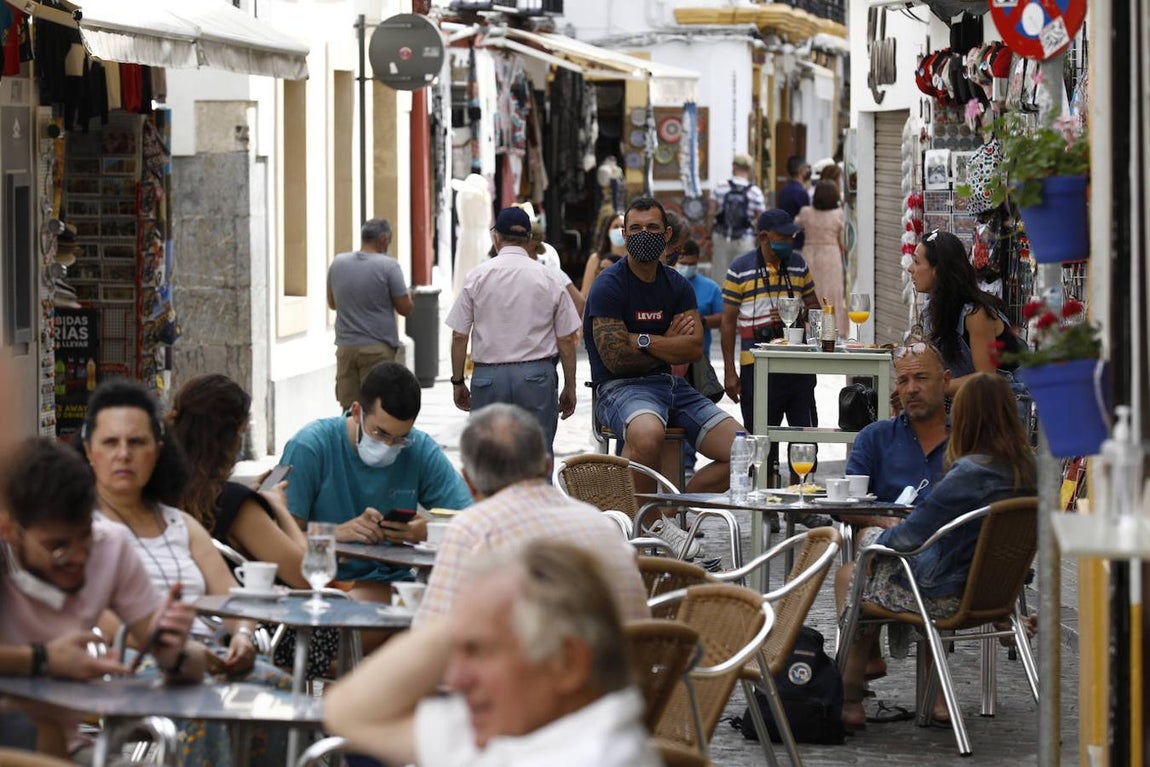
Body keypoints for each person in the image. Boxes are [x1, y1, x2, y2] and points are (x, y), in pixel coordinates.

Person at [324, 540, 662, 767]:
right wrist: (473, 617)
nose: (455, 679)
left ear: (567, 663)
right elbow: (347, 712)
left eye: (479, 651)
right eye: (456, 651)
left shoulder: (589, 755)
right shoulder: (525, 726)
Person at [834, 372, 1036, 729]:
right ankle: (928, 694)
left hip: (947, 595)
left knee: (858, 570)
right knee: (870, 564)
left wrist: (875, 542)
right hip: (994, 594)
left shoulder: (969, 473)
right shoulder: (1027, 472)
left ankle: (849, 695)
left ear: (967, 417)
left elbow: (911, 535)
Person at [0, 437, 206, 758]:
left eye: (85, 536)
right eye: (57, 547)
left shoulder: (109, 546)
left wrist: (175, 652)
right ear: (10, 530)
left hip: (66, 746)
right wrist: (43, 660)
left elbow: (190, 662)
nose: (78, 557)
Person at [584, 196, 742, 553]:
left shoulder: (677, 285)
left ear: (667, 234)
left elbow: (693, 348)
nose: (644, 234)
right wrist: (666, 340)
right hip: (619, 389)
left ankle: (667, 516)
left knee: (745, 450)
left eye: (652, 227)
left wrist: (641, 339)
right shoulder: (609, 285)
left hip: (670, 386)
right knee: (647, 434)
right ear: (625, 234)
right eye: (636, 228)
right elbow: (615, 359)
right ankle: (647, 524)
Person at [415, 403, 648, 626]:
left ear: (468, 481)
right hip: (627, 652)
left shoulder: (472, 529)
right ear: (546, 466)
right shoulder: (603, 526)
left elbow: (432, 628)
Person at [283, 362, 473, 603]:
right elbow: (277, 537)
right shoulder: (309, 446)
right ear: (356, 412)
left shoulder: (419, 448)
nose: (388, 445)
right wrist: (335, 533)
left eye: (400, 438)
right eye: (380, 433)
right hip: (324, 588)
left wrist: (427, 532)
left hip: (396, 587)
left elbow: (472, 519)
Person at [447, 206, 581, 456]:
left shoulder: (476, 276)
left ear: (496, 237)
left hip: (489, 379)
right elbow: (566, 338)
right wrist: (570, 386)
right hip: (536, 378)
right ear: (529, 239)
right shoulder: (550, 277)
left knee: (488, 459)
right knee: (536, 457)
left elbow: (459, 335)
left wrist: (458, 381)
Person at [720, 209, 821, 472]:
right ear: (763, 237)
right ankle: (766, 493)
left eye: (791, 237)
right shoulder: (740, 269)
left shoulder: (798, 264)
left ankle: (803, 493)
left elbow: (816, 309)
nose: (789, 242)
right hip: (755, 368)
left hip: (798, 366)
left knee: (805, 440)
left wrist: (798, 312)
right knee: (762, 445)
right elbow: (727, 322)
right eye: (783, 237)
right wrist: (730, 372)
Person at [907, 229, 1022, 397]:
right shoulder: (934, 308)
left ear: (938, 270)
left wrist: (932, 388)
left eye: (917, 262)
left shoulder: (975, 314)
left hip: (999, 405)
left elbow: (986, 379)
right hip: (964, 402)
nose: (910, 269)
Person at [844, 340, 950, 504]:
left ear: (945, 381)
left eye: (921, 378)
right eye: (903, 381)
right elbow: (848, 504)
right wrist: (886, 517)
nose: (912, 389)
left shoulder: (971, 439)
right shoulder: (875, 438)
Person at [327, 218, 414, 411]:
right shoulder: (389, 266)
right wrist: (408, 295)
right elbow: (405, 308)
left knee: (349, 409)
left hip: (346, 348)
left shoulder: (338, 263)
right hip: (377, 349)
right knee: (376, 408)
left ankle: (352, 431)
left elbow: (332, 304)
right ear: (383, 240)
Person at [795, 180, 848, 337]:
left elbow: (795, 225)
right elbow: (843, 242)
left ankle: (809, 328)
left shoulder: (805, 212)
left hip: (809, 254)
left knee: (810, 292)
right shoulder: (838, 214)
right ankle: (833, 329)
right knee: (832, 292)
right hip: (831, 256)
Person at [711, 152, 766, 287]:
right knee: (745, 278)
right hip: (745, 240)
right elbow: (762, 220)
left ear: (734, 166)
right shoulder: (755, 192)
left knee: (720, 278)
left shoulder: (721, 186)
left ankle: (721, 300)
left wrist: (708, 235)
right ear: (749, 169)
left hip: (722, 237)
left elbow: (710, 213)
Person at [581, 211, 625, 300]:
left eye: (623, 227)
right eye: (615, 227)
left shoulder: (635, 260)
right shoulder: (596, 259)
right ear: (608, 232)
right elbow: (585, 294)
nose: (619, 230)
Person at [777, 155, 811, 250]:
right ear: (802, 171)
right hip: (798, 240)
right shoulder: (801, 192)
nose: (808, 171)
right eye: (807, 168)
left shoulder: (783, 190)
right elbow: (806, 217)